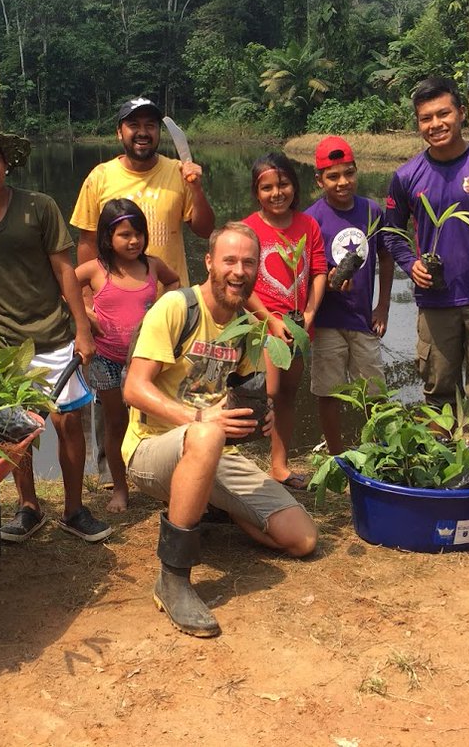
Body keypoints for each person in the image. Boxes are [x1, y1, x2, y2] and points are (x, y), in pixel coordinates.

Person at [122, 222, 318, 637]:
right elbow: (134, 389)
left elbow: (239, 394)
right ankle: (173, 578)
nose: (239, 271)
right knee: (208, 433)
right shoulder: (177, 307)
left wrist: (256, 419)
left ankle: (206, 504)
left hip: (212, 452)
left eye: (249, 262)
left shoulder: (246, 326)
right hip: (151, 449)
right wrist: (201, 420)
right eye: (229, 260)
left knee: (302, 540)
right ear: (209, 262)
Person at [0, 119, 110, 544]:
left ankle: (75, 508)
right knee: (15, 428)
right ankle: (29, 507)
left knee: (68, 423)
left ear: (6, 162)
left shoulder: (39, 206)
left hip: (53, 333)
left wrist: (83, 330)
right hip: (0, 341)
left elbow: (66, 270)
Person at [384, 76, 469, 445]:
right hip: (435, 302)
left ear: (461, 114)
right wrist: (410, 262)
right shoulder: (407, 175)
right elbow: (390, 231)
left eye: (443, 114)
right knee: (438, 392)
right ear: (418, 124)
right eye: (426, 118)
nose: (435, 124)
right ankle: (438, 471)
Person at [76, 198, 180, 512]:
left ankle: (164, 484)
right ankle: (120, 489)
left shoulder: (153, 265)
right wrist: (85, 314)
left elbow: (174, 281)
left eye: (139, 233)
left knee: (157, 422)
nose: (134, 240)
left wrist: (165, 308)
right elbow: (65, 282)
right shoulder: (97, 269)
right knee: (115, 424)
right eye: (125, 235)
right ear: (107, 237)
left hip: (145, 359)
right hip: (107, 360)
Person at [303, 136, 393, 455]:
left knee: (375, 390)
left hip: (361, 317)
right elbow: (306, 270)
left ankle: (380, 450)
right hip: (327, 320)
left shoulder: (371, 211)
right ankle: (337, 454)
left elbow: (385, 255)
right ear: (319, 180)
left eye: (349, 173)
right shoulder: (311, 218)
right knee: (328, 391)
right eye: (333, 176)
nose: (343, 182)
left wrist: (382, 306)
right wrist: (325, 280)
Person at [241, 152, 327, 489]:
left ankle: (279, 464)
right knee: (267, 391)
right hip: (262, 326)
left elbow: (319, 271)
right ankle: (231, 463)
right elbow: (243, 283)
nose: (277, 193)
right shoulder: (249, 229)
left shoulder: (309, 225)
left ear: (295, 185)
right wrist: (270, 320)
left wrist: (308, 314)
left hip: (299, 326)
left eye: (284, 184)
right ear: (256, 192)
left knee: (289, 394)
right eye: (267, 187)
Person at [70, 97, 214, 288]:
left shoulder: (179, 172)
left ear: (158, 132)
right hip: (118, 302)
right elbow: (88, 242)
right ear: (119, 133)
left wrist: (197, 189)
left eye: (150, 125)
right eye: (134, 125)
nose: (143, 132)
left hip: (171, 299)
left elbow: (205, 231)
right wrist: (88, 298)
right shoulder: (99, 177)